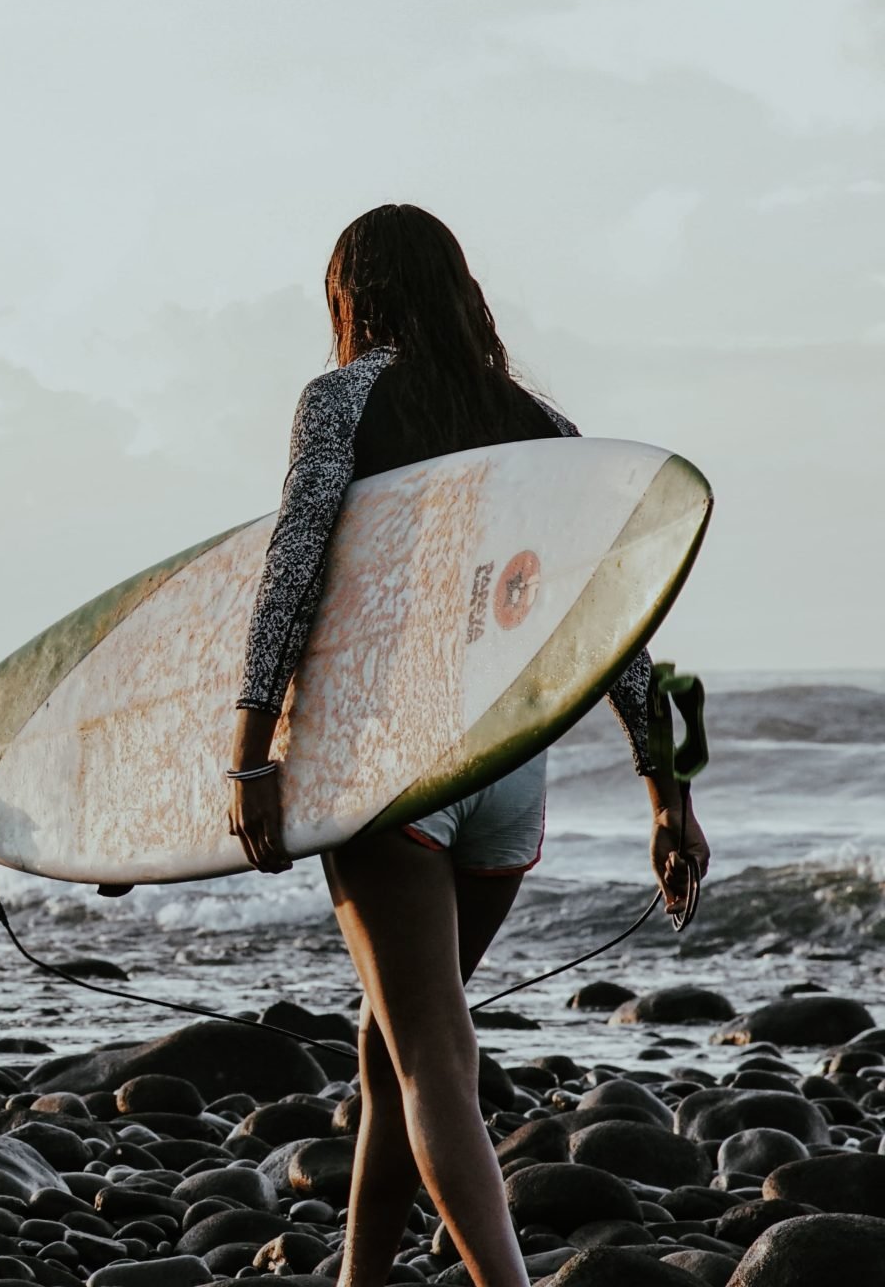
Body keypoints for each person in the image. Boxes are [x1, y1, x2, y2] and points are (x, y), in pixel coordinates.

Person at [225, 204, 710, 1287]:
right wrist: (666, 795)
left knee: (433, 1057)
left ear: (352, 297)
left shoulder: (341, 398)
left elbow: (293, 566)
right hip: (507, 780)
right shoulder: (541, 426)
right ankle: (361, 1275)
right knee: (394, 1039)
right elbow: (616, 627)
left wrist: (251, 749)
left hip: (389, 766)